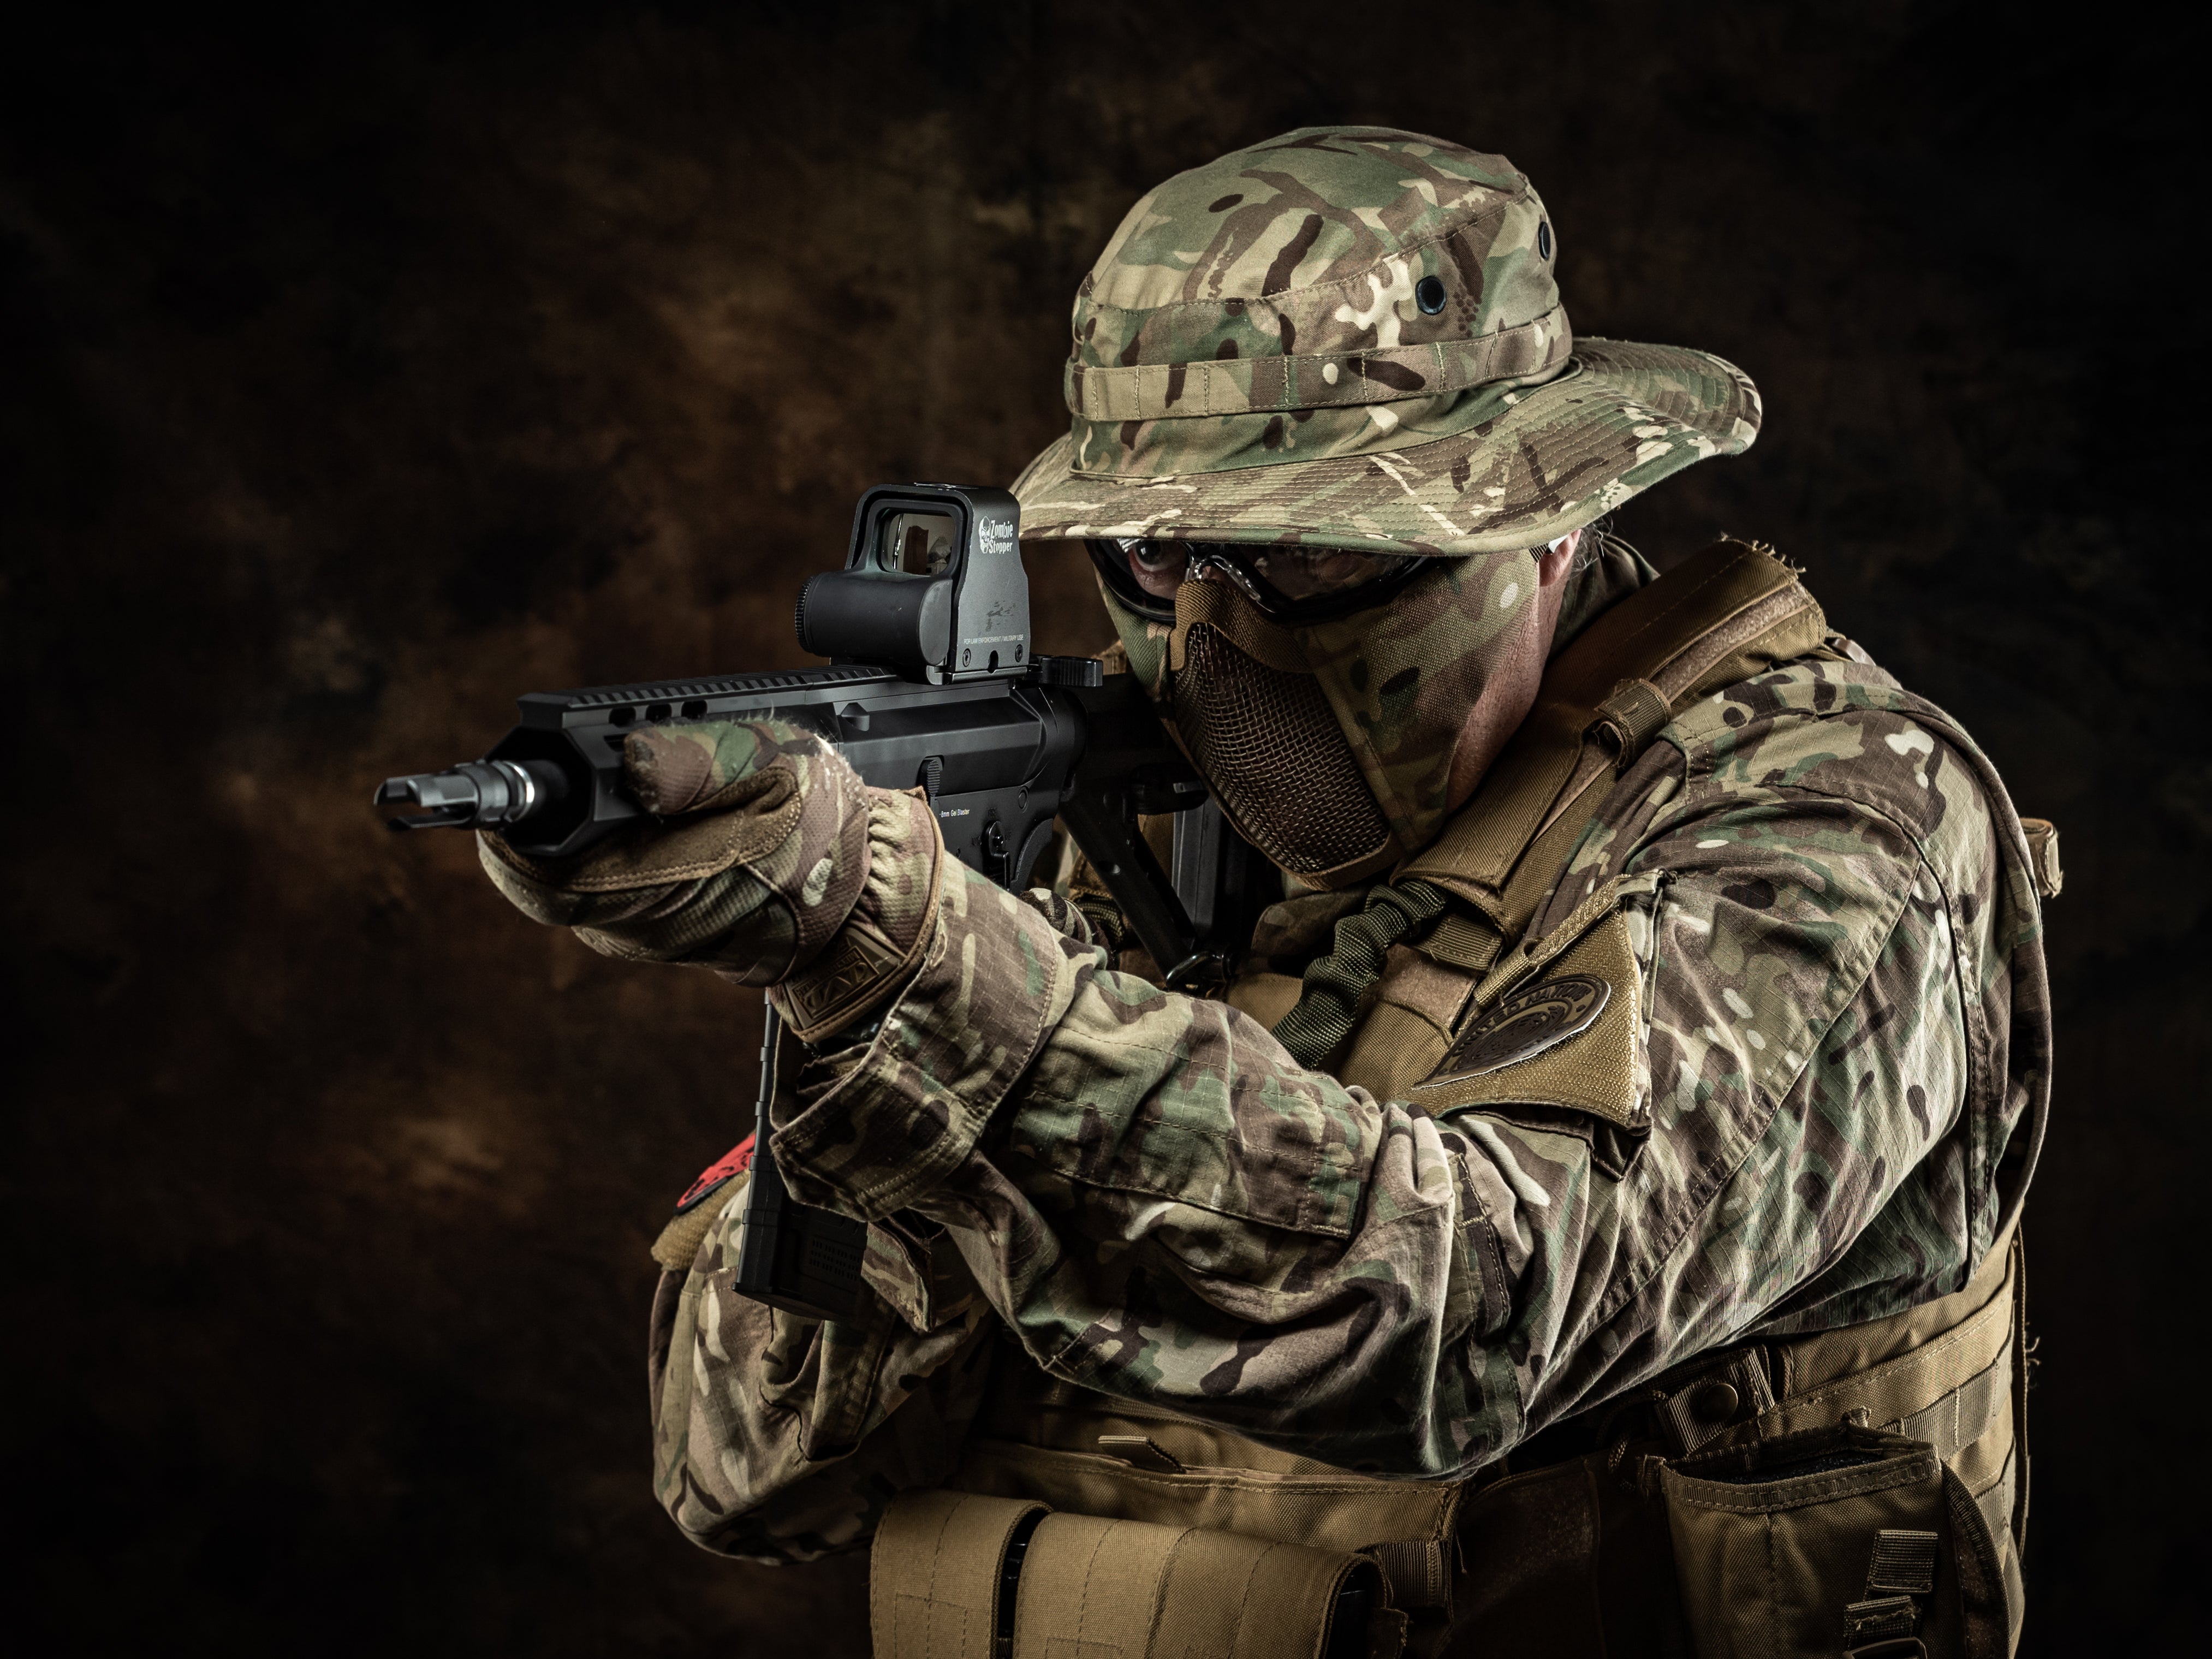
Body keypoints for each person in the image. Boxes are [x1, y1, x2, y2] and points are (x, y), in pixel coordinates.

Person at [479, 128, 2053, 1657]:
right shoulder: (1117, 810)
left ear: (1546, 519)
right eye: (1159, 556)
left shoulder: (1833, 825)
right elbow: (747, 1480)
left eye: (1303, 552)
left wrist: (917, 967)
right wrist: (856, 1008)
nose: (1215, 638)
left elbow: (1479, 1323)